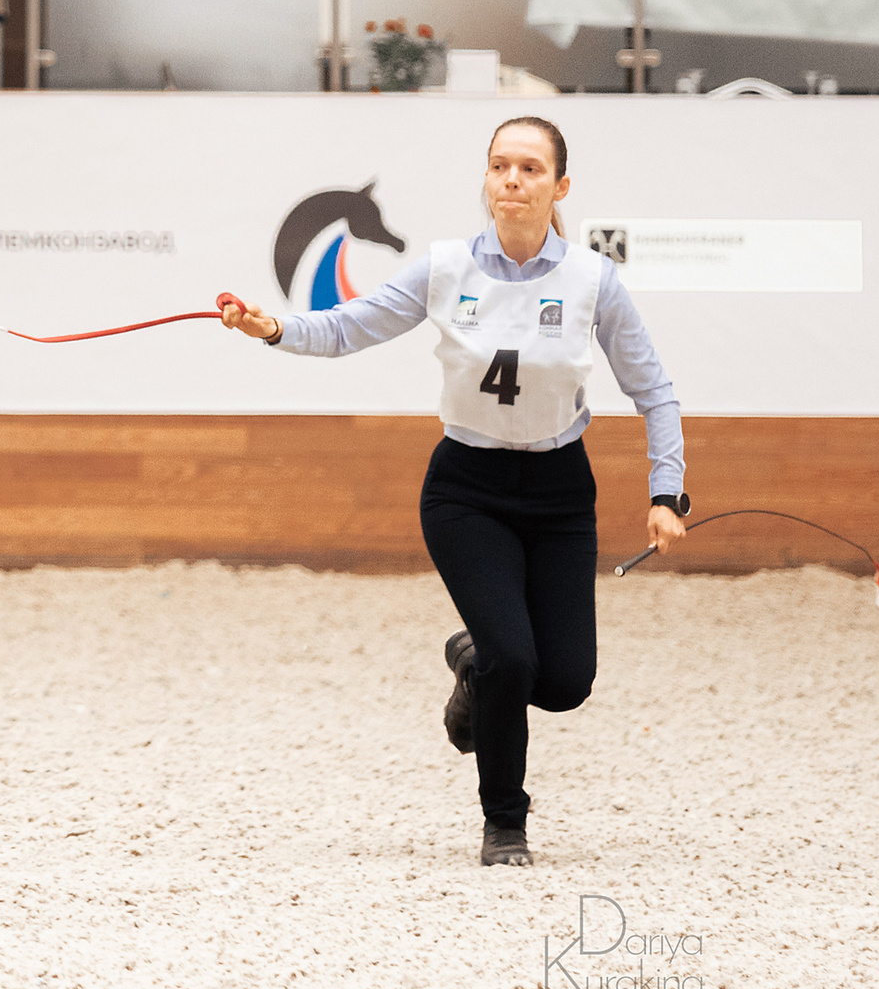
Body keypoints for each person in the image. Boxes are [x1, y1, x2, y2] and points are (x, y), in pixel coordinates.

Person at [218, 118, 689, 868]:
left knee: (564, 681)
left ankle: (474, 661)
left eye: (530, 168)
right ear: (487, 180)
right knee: (515, 656)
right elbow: (347, 328)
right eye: (500, 165)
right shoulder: (443, 267)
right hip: (467, 489)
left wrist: (669, 490)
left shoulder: (593, 281)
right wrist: (275, 327)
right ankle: (505, 821)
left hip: (561, 493)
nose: (512, 179)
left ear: (559, 186)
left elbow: (654, 389)